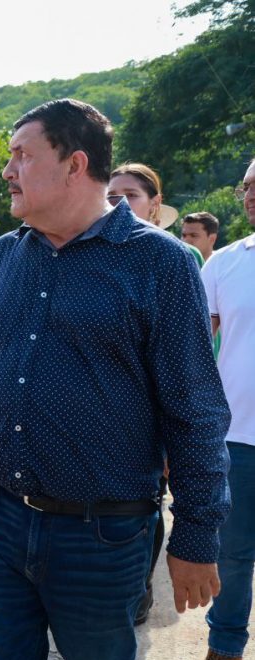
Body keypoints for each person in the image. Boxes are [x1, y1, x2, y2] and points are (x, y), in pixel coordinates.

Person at [0, 99, 230, 660]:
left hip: (102, 534)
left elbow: (195, 409)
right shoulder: (2, 256)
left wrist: (196, 534)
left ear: (75, 164)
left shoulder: (159, 263)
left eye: (22, 155)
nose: (7, 170)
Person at [109, 161, 206, 626]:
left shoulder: (177, 259)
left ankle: (139, 588)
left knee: (149, 500)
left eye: (129, 196)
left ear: (153, 206)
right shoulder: (97, 255)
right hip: (112, 417)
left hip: (155, 412)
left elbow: (192, 355)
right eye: (111, 196)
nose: (118, 204)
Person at [185, 158, 255, 660]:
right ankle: (225, 650)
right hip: (238, 435)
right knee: (232, 553)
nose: (250, 194)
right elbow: (192, 348)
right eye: (247, 186)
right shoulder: (225, 264)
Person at [108, 162, 205, 267]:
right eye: (111, 195)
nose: (119, 202)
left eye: (131, 195)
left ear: (155, 202)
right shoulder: (96, 249)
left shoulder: (180, 253)